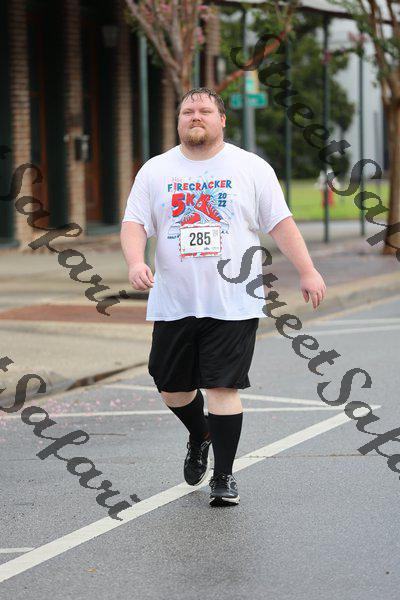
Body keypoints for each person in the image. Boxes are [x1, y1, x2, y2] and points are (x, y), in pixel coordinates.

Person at [120, 87, 326, 507]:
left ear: (222, 119)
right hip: (174, 301)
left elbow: (280, 222)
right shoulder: (155, 170)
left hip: (233, 299)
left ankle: (224, 477)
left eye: (204, 110)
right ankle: (200, 434)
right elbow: (134, 223)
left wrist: (307, 269)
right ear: (178, 120)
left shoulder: (250, 167)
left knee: (222, 387)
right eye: (187, 111)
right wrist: (135, 261)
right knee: (172, 389)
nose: (195, 116)